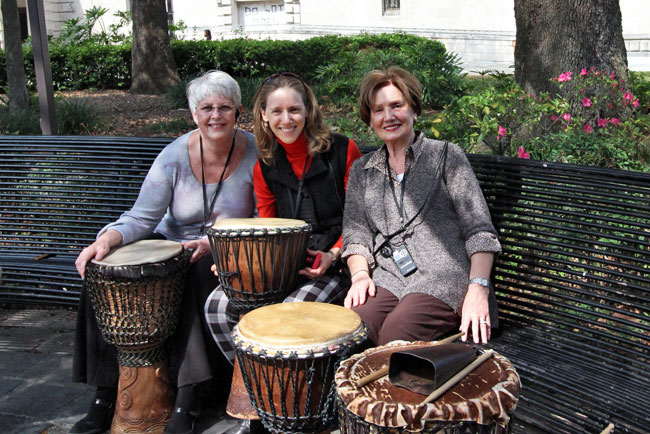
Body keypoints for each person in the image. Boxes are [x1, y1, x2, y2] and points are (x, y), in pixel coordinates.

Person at [71, 70, 258, 434]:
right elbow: (142, 217)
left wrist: (217, 244)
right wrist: (107, 239)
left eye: (224, 107)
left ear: (238, 111)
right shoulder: (173, 156)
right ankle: (105, 394)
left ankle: (189, 399)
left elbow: (261, 217)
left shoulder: (255, 152)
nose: (215, 116)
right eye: (206, 108)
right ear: (193, 113)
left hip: (228, 249)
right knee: (101, 274)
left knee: (196, 273)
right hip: (172, 243)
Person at [204, 72, 362, 434]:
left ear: (309, 111)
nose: (286, 119)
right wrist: (237, 261)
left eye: (294, 109)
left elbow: (359, 218)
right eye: (276, 111)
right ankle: (266, 401)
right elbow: (268, 230)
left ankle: (296, 410)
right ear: (263, 116)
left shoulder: (342, 150)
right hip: (287, 263)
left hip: (338, 261)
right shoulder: (265, 165)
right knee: (218, 307)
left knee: (289, 315)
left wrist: (334, 254)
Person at [342, 66, 501, 348]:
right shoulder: (362, 170)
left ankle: (395, 391)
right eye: (378, 110)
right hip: (389, 275)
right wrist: (360, 276)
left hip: (445, 276)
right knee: (354, 325)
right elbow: (356, 236)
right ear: (370, 119)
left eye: (397, 106)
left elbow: (480, 231)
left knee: (397, 331)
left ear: (414, 110)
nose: (388, 116)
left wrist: (478, 288)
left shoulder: (447, 156)